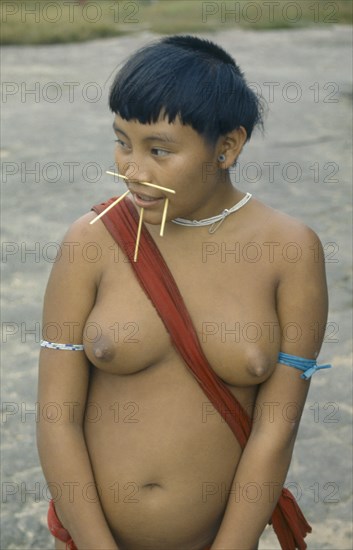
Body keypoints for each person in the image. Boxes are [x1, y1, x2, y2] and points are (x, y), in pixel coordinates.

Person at [37, 35, 329, 550]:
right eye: (122, 141)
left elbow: (275, 430)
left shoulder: (291, 252)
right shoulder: (92, 239)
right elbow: (57, 420)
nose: (132, 169)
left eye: (159, 150)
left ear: (228, 147)